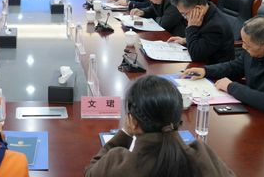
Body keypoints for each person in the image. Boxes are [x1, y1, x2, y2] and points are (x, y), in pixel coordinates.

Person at [182, 16, 264, 134]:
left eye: (247, 45)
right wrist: (206, 71)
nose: (243, 47)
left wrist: (231, 87)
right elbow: (235, 67)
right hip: (257, 114)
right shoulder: (256, 49)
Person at [85, 75, 235, 177]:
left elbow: (90, 172)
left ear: (133, 122)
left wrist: (125, 133)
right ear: (178, 116)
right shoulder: (203, 157)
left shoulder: (118, 165)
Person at [168, 0, 234, 64]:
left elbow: (196, 55)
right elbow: (203, 39)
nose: (184, 18)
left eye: (184, 14)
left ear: (198, 8)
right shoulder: (207, 11)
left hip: (214, 67)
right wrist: (185, 40)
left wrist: (191, 27)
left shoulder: (215, 27)